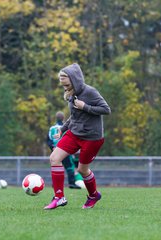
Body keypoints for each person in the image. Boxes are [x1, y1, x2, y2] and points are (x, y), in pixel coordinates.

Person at [44, 63, 111, 210]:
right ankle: (59, 197)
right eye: (63, 85)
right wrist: (63, 129)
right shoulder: (71, 94)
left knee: (82, 170)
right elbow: (74, 116)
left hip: (92, 137)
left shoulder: (90, 92)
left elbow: (106, 110)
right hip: (74, 133)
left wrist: (85, 107)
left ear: (74, 80)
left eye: (66, 84)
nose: (64, 88)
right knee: (54, 158)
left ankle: (94, 195)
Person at [47, 111, 81, 189]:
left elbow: (48, 140)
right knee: (70, 167)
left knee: (56, 166)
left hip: (55, 150)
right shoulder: (66, 127)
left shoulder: (52, 128)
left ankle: (55, 184)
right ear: (63, 118)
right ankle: (72, 184)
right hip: (64, 149)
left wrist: (52, 148)